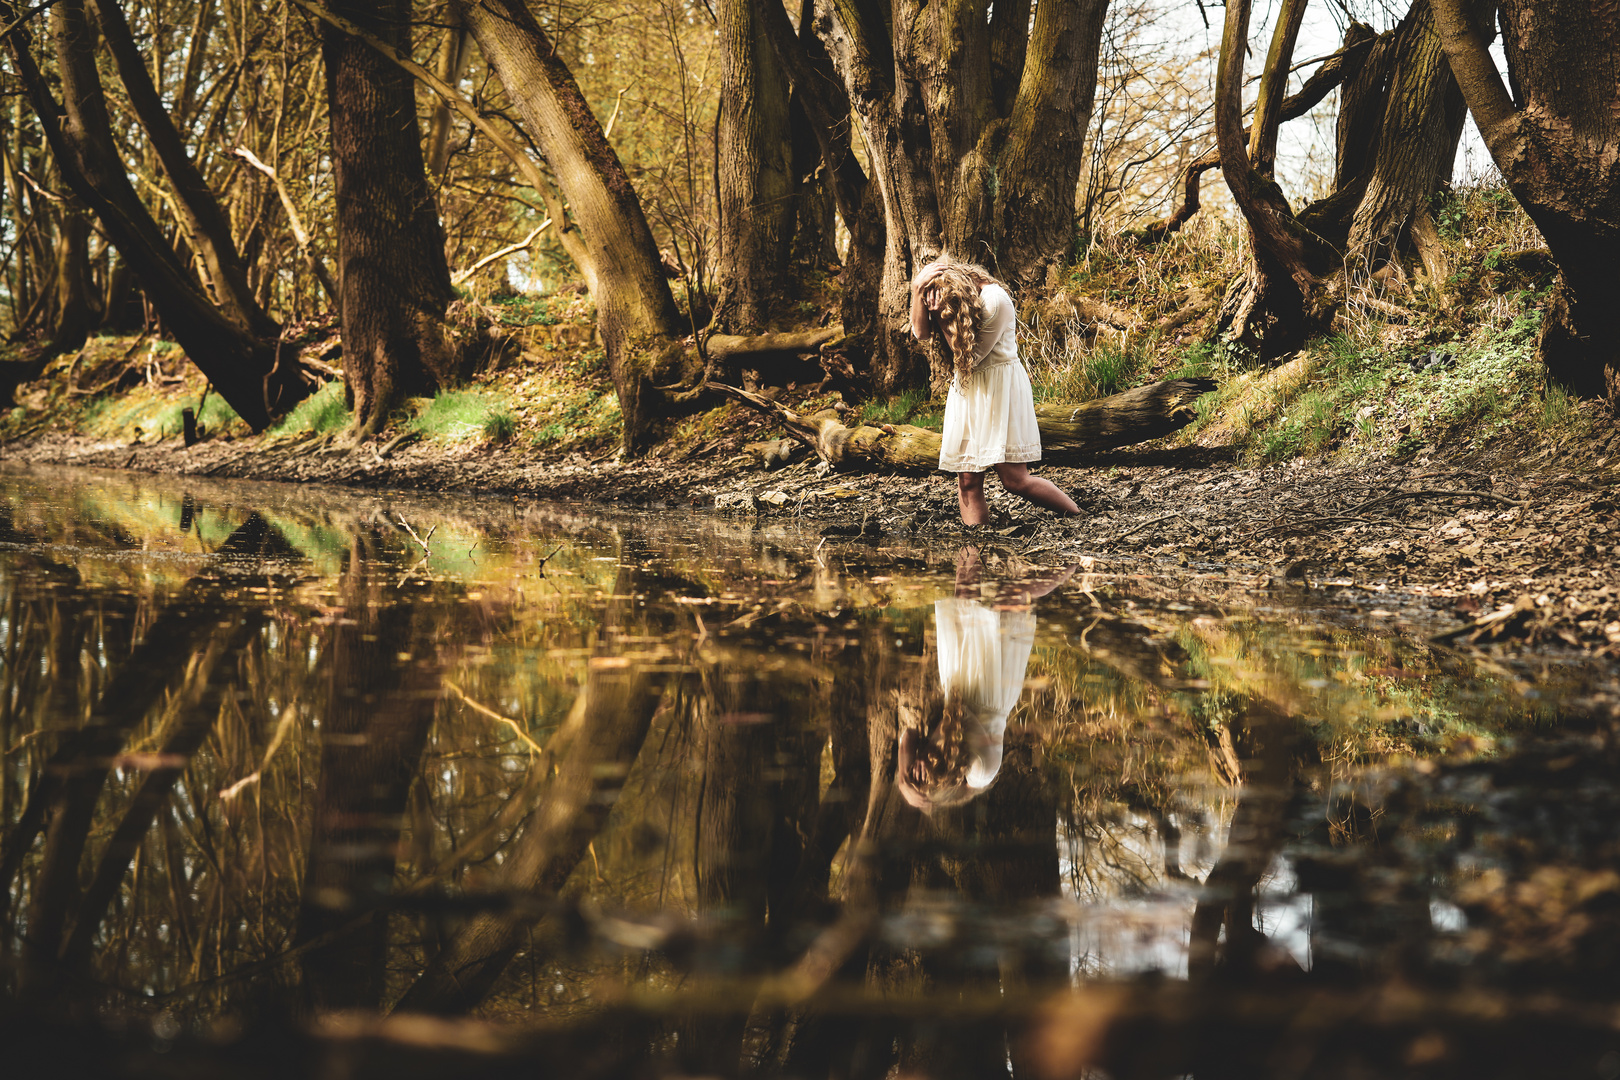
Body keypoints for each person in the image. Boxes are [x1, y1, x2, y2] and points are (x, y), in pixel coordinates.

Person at [896, 547, 1077, 812]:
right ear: (944, 781)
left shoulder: (927, 764)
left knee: (965, 593)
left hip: (959, 682)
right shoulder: (980, 771)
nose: (918, 766)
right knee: (1011, 596)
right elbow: (962, 715)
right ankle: (1075, 562)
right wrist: (930, 777)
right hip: (992, 688)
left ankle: (972, 538)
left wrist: (903, 778)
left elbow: (908, 735)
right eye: (920, 775)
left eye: (914, 772)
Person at [910, 255, 1081, 525]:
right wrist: (916, 290)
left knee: (1014, 480)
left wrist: (941, 320)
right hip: (968, 389)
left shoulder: (995, 300)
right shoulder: (939, 298)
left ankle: (1077, 517)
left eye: (944, 303)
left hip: (1000, 391)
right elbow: (920, 333)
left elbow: (969, 357)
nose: (941, 310)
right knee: (967, 481)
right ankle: (975, 548)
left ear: (959, 289)